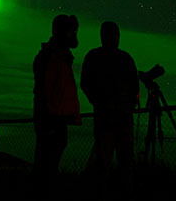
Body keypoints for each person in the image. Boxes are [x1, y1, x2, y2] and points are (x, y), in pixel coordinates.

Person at [81, 21, 139, 199]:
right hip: (114, 118)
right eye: (111, 34)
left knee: (113, 162)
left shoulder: (95, 56)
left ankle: (110, 191)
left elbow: (86, 84)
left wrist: (99, 102)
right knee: (113, 162)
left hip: (112, 118)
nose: (113, 37)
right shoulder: (123, 58)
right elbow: (134, 87)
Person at [33, 14, 81, 190]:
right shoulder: (52, 57)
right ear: (63, 33)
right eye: (71, 31)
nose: (75, 34)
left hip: (55, 119)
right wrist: (49, 121)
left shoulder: (57, 57)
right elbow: (45, 92)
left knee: (46, 167)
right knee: (45, 169)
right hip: (51, 120)